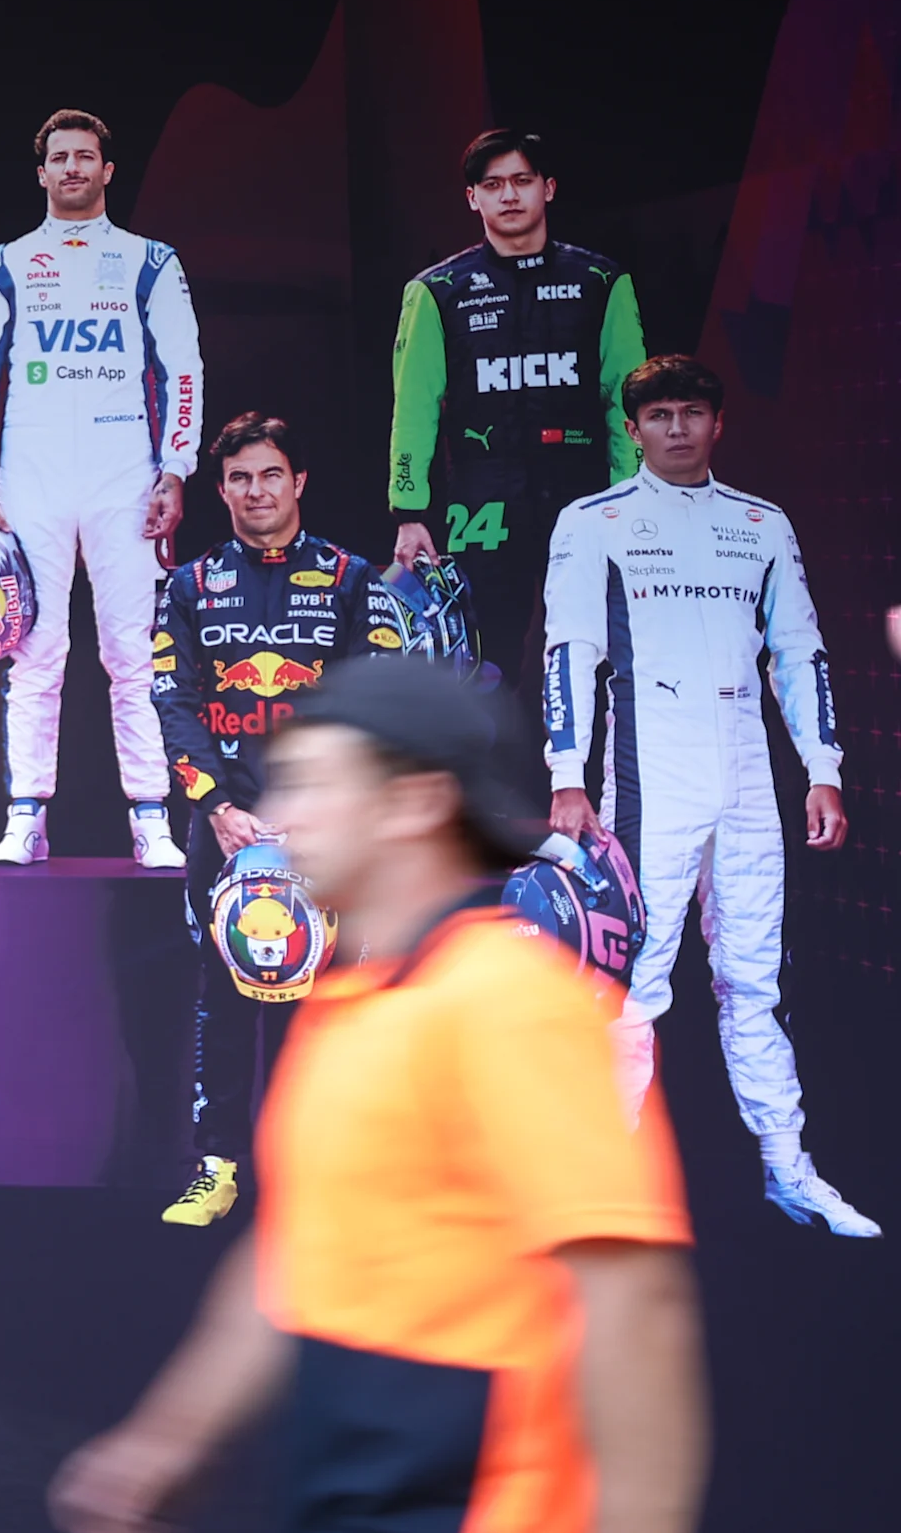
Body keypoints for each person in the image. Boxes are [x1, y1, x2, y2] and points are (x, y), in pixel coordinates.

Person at [53, 654, 710, 1533]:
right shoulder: (357, 1001)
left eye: (313, 785)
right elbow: (295, 1257)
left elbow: (637, 1307)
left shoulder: (507, 1001)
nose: (280, 815)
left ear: (411, 802)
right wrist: (167, 1439)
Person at [544, 354, 872, 1238]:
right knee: (631, 985)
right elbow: (567, 654)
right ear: (633, 429)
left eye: (692, 413)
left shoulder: (763, 525)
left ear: (717, 424)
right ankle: (599, 1187)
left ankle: (787, 1167)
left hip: (748, 776)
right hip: (650, 773)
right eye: (659, 416)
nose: (677, 429)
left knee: (755, 983)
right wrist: (566, 777)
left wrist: (825, 768)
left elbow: (800, 654)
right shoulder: (594, 523)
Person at [146, 414, 389, 1228]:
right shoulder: (188, 586)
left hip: (327, 832)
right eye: (241, 478)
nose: (257, 491)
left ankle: (317, 1178)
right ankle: (216, 1169)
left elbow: (377, 708)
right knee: (224, 994)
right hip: (226, 828)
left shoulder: (353, 578)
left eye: (271, 475)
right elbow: (171, 703)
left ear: (300, 482)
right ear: (220, 491)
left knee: (330, 1002)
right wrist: (213, 807)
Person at [0, 110, 203, 869]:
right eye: (58, 158)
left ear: (107, 170)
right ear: (40, 173)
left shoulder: (149, 260)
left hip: (125, 478)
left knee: (135, 654)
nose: (71, 169)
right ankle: (26, 815)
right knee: (36, 652)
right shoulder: (2, 264)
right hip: (31, 482)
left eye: (84, 157)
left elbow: (184, 366)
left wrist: (176, 469)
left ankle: (151, 820)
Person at [388, 129, 643, 692]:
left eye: (522, 181)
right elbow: (413, 410)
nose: (509, 195)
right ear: (472, 198)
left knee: (597, 652)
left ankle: (592, 779)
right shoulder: (437, 290)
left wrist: (630, 497)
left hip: (585, 498)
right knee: (486, 662)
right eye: (493, 184)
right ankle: (497, 780)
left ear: (548, 189)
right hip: (482, 501)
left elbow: (629, 400)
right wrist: (409, 512)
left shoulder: (601, 281)